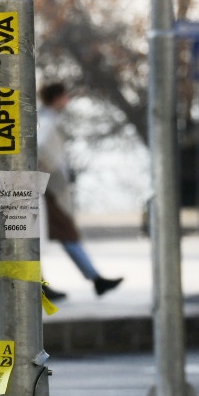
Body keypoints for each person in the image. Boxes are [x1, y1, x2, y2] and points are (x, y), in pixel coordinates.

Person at [40, 82, 122, 296]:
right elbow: (40, 149)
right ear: (57, 98)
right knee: (64, 234)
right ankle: (95, 279)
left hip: (47, 187)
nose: (67, 101)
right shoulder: (47, 121)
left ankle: (95, 279)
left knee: (60, 235)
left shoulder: (47, 119)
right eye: (65, 96)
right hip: (49, 189)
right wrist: (55, 171)